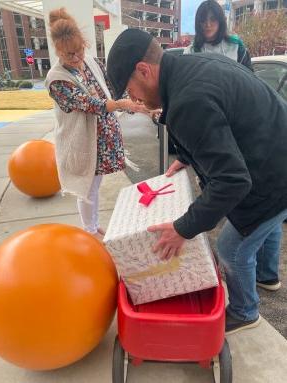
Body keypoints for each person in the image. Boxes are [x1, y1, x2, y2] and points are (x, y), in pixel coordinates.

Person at [106, 29, 287, 335]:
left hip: (272, 177)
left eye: (129, 89)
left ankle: (245, 311)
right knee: (266, 226)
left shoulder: (188, 101)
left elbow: (232, 182)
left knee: (232, 248)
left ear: (144, 70)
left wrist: (182, 229)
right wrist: (188, 156)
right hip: (276, 153)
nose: (133, 98)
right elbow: (223, 119)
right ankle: (268, 276)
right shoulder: (193, 66)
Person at [45, 9, 146, 240]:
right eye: (70, 54)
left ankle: (93, 224)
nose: (77, 57)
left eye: (80, 49)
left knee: (95, 185)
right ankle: (89, 231)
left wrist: (132, 96)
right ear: (58, 51)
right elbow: (90, 104)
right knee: (87, 189)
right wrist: (123, 104)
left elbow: (107, 86)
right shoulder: (56, 79)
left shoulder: (89, 61)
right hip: (83, 142)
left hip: (102, 137)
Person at [186, 0, 252, 70]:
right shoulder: (192, 51)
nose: (208, 24)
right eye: (203, 20)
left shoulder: (236, 46)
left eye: (213, 19)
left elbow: (249, 77)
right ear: (198, 23)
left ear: (220, 21)